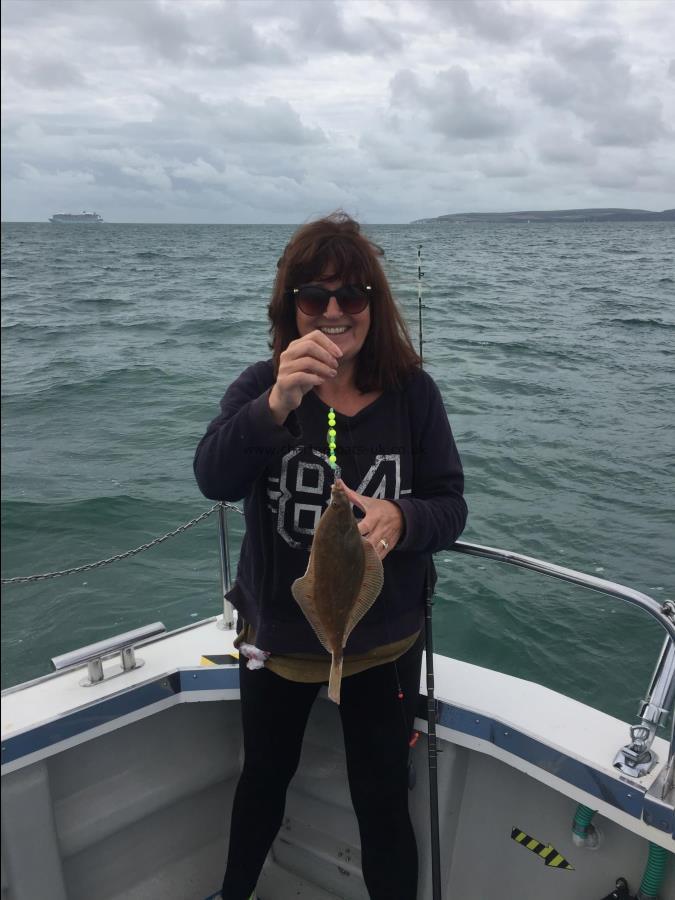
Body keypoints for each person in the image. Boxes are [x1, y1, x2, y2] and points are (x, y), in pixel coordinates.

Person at [194, 211, 467, 900]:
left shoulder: (412, 394)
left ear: (374, 306)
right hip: (280, 641)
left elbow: (450, 505)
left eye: (354, 296)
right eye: (315, 296)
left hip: (380, 645)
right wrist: (277, 403)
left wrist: (402, 518)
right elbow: (214, 479)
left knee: (381, 803)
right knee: (262, 780)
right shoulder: (262, 386)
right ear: (291, 307)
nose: (336, 311)